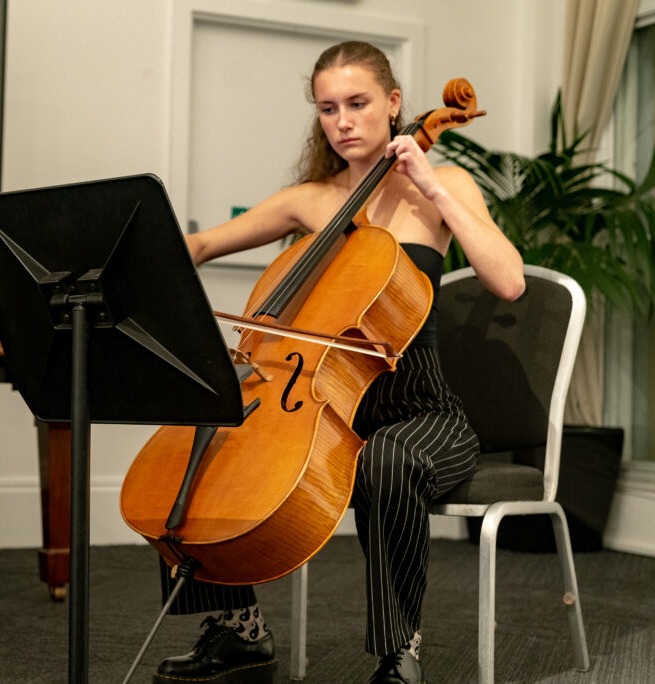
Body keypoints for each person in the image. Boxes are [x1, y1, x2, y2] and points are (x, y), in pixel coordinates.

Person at [151, 41, 525, 684]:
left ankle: (398, 650)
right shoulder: (312, 200)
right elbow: (204, 243)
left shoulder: (440, 190)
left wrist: (431, 182)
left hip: (419, 411)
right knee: (198, 437)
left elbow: (509, 281)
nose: (344, 120)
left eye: (358, 103)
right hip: (320, 408)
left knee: (389, 458)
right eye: (329, 108)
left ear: (394, 103)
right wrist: (142, 257)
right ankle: (238, 632)